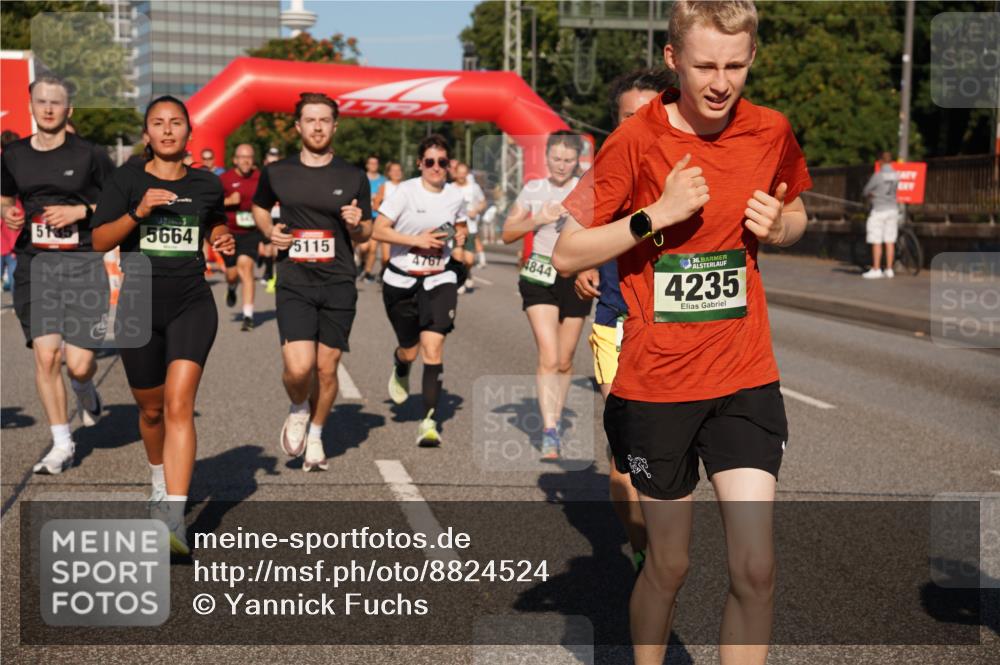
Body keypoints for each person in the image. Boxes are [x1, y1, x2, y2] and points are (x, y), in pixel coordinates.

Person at [553, 2, 812, 663]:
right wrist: (654, 215)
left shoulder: (770, 131)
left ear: (752, 57)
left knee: (756, 568)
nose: (721, 82)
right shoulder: (635, 141)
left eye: (735, 65)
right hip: (658, 386)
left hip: (745, 377)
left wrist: (782, 227)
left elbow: (797, 209)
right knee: (669, 565)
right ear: (674, 60)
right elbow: (568, 252)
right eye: (705, 66)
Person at [91, 95, 235, 554]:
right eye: (158, 123)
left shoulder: (206, 183)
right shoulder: (127, 179)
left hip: (192, 302)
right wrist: (138, 213)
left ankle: (174, 516)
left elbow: (212, 221)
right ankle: (159, 475)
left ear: (189, 132)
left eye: (176, 123)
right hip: (138, 305)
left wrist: (221, 236)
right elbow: (98, 241)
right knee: (150, 410)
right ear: (147, 133)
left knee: (178, 404)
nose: (168, 130)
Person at [574, 67, 674, 572]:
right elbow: (575, 240)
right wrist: (585, 264)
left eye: (648, 115)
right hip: (618, 326)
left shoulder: (697, 168)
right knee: (624, 459)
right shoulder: (607, 175)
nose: (637, 126)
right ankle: (643, 552)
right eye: (626, 118)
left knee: (666, 456)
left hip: (683, 335)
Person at [251, 92, 371, 472]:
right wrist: (271, 230)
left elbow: (367, 232)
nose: (317, 127)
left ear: (335, 126)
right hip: (295, 279)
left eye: (324, 120)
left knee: (326, 368)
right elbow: (258, 206)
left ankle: (317, 435)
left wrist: (357, 224)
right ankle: (299, 407)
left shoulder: (353, 175)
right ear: (298, 126)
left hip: (337, 280)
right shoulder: (277, 173)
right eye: (310, 120)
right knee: (299, 369)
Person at [1, 76, 114, 475]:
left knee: (80, 364)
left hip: (82, 263)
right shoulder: (13, 154)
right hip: (35, 265)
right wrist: (8, 212)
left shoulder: (91, 154)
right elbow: (5, 194)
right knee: (47, 356)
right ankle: (62, 442)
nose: (48, 108)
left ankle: (85, 389)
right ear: (31, 104)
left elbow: (120, 202)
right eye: (41, 101)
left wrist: (80, 212)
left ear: (69, 110)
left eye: (56, 103)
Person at [372, 134, 468, 447]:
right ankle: (401, 364)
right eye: (430, 162)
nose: (436, 168)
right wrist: (416, 240)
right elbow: (378, 230)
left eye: (442, 162)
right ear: (419, 164)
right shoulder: (404, 192)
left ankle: (429, 422)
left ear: (449, 165)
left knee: (433, 349)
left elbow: (460, 226)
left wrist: (459, 239)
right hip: (401, 280)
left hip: (438, 279)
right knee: (410, 350)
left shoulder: (455, 196)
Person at [502, 130, 590, 460]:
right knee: (549, 356)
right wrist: (538, 218)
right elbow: (507, 233)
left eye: (569, 160)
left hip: (575, 278)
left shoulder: (586, 189)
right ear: (547, 157)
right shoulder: (533, 189)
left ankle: (555, 414)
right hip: (538, 276)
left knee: (566, 361)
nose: (562, 165)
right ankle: (550, 428)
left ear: (577, 160)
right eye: (556, 158)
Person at [220, 143, 262, 330]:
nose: (245, 161)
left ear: (253, 160)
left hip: (251, 232)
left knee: (246, 267)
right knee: (232, 274)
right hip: (229, 232)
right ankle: (231, 287)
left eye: (249, 157)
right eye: (242, 157)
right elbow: (211, 204)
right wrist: (229, 201)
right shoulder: (224, 179)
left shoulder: (260, 178)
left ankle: (248, 316)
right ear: (235, 159)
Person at [861, 151, 900, 279]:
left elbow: (866, 190)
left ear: (881, 161)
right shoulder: (896, 175)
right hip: (892, 209)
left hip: (879, 209)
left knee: (876, 240)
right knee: (890, 241)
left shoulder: (878, 175)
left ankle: (876, 268)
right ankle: (889, 269)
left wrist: (872, 195)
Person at [450, 161, 486, 294]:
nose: (461, 176)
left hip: (470, 227)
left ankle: (468, 273)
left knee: (469, 260)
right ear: (455, 173)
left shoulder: (474, 187)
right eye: (459, 173)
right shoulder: (450, 187)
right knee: (458, 256)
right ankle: (460, 281)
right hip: (456, 228)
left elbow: (483, 202)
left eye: (464, 174)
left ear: (467, 174)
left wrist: (476, 210)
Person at [357, 154, 386, 283]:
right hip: (363, 216)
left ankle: (368, 271)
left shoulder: (383, 181)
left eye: (375, 163)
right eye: (371, 163)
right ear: (367, 165)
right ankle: (362, 263)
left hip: (377, 217)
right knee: (364, 248)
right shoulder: (360, 178)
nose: (373, 165)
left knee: (373, 248)